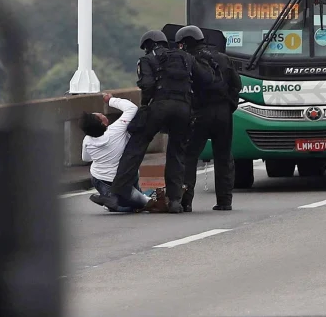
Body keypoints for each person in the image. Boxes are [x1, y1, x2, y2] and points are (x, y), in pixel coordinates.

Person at [96, 29, 215, 213]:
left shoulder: (147, 59)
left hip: (159, 107)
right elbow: (206, 79)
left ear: (148, 45)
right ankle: (174, 200)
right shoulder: (186, 57)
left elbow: (147, 85)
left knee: (136, 147)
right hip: (184, 108)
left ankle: (116, 194)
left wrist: (145, 106)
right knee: (176, 153)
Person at [179, 26, 241, 212]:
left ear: (185, 43)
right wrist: (229, 106)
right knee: (223, 156)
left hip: (199, 112)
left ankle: (185, 201)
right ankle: (225, 201)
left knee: (190, 156)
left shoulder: (187, 60)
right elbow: (236, 84)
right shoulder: (222, 57)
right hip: (223, 112)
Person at [81, 93, 141, 213]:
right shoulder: (117, 129)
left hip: (101, 179)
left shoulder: (87, 140)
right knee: (138, 204)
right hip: (125, 176)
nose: (102, 113)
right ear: (103, 123)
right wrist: (111, 100)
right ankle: (121, 202)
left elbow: (85, 158)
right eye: (100, 115)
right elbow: (132, 108)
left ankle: (111, 198)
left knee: (96, 172)